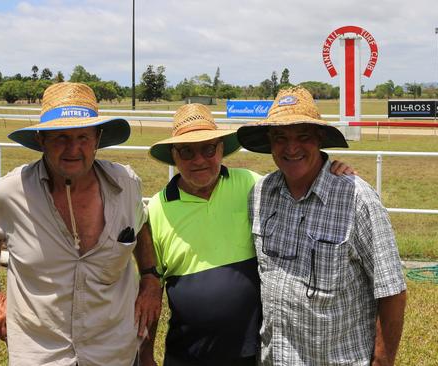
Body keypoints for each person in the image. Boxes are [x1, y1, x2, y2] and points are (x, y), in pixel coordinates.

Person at [140, 103, 353, 366]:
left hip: (252, 353)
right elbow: (150, 291)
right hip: (186, 354)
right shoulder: (158, 208)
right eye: (186, 151)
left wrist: (329, 170)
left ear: (221, 150)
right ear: (174, 155)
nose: (199, 160)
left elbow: (299, 184)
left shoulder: (253, 185)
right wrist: (146, 355)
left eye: (208, 149)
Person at [0, 82, 161, 365]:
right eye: (61, 137)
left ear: (98, 138)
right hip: (41, 350)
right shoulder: (12, 191)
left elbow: (140, 223)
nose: (73, 149)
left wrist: (150, 276)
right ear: (41, 139)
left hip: (112, 349)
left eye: (83, 137)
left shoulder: (126, 186)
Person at [237, 86, 407, 366]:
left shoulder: (357, 199)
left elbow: (391, 290)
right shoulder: (260, 194)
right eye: (280, 138)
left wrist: (382, 361)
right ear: (270, 142)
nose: (291, 148)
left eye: (303, 136)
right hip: (273, 359)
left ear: (319, 139)